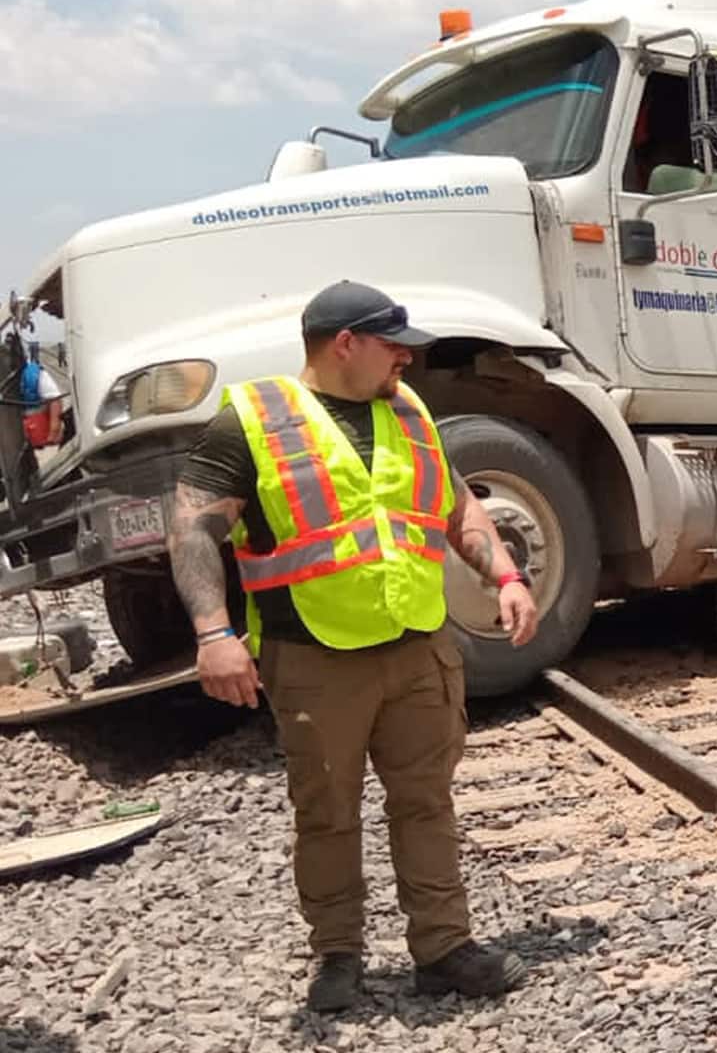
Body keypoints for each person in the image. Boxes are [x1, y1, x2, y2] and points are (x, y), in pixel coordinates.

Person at [168, 280, 542, 1013]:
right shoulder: (251, 419)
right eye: (393, 343)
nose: (408, 356)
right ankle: (338, 957)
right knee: (327, 811)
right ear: (345, 344)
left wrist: (504, 573)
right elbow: (192, 527)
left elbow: (454, 502)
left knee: (426, 801)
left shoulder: (408, 411)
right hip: (312, 652)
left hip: (415, 645)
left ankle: (442, 948)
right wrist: (214, 633)